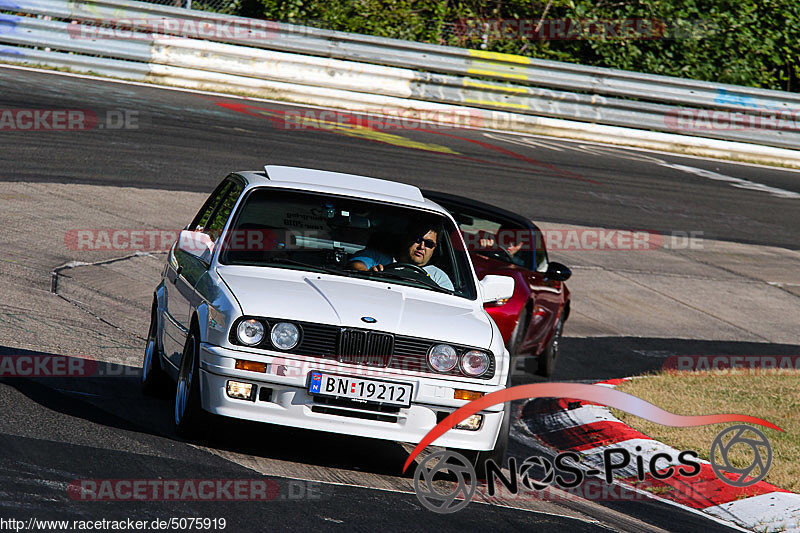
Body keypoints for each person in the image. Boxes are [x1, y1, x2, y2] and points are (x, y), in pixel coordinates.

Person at [349, 224, 455, 291]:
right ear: (406, 239)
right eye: (417, 239)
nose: (422, 247)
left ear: (434, 248)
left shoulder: (439, 277)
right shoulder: (376, 258)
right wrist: (368, 273)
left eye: (429, 244)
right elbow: (356, 266)